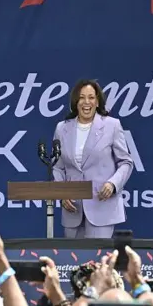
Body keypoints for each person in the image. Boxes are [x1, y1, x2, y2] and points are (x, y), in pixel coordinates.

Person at [53, 79, 133, 238]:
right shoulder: (62, 128)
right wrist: (62, 193)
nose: (86, 102)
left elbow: (126, 162)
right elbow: (57, 166)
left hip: (101, 205)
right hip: (72, 209)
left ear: (97, 102)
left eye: (91, 97)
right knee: (71, 261)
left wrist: (113, 183)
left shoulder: (112, 126)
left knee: (97, 261)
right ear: (75, 102)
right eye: (82, 98)